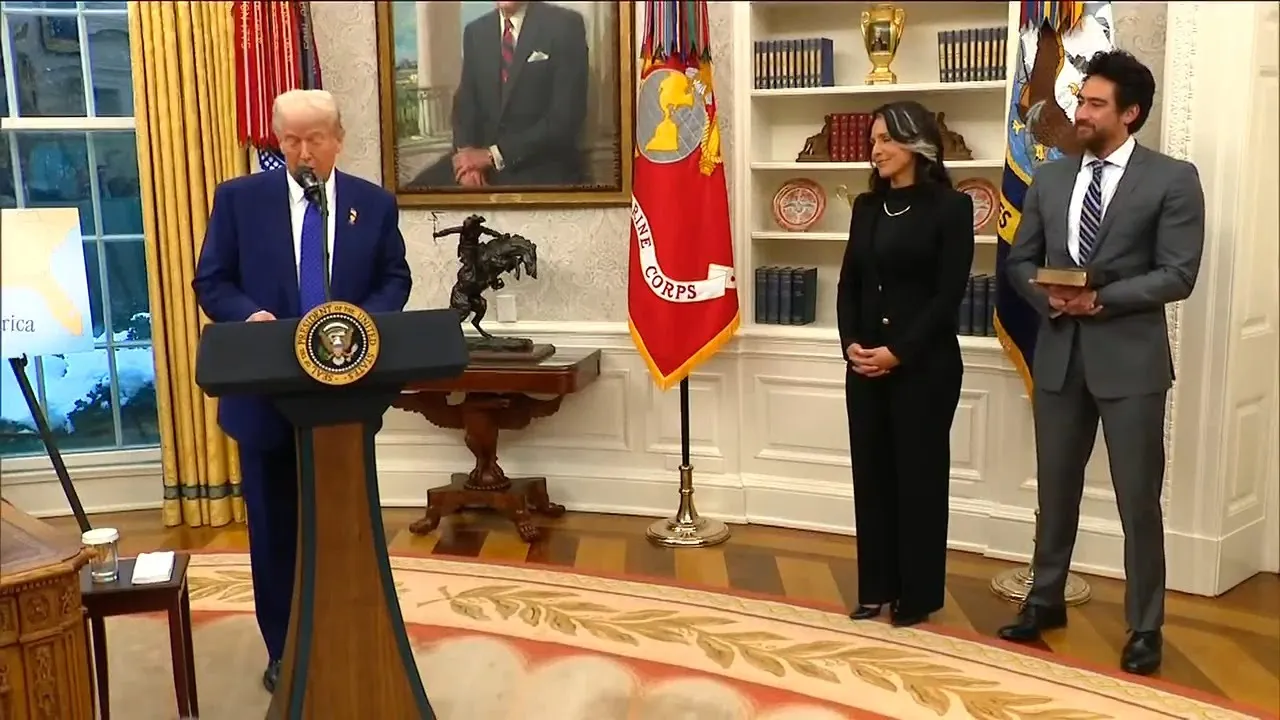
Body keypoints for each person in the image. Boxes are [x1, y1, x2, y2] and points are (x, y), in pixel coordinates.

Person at [191, 89, 412, 692]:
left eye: (315, 138)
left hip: (346, 401)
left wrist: (355, 327)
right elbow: (212, 280)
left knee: (346, 526)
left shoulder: (373, 204)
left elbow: (395, 278)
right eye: (290, 140)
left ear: (338, 138)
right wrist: (249, 316)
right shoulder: (239, 200)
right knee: (275, 532)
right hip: (265, 402)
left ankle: (351, 634)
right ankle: (284, 650)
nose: (303, 152)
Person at [998, 50, 1205, 676]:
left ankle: (1145, 626)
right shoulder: (1051, 178)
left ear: (1130, 113)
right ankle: (1044, 601)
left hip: (1131, 367)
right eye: (1080, 100)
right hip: (1059, 356)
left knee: (1137, 500)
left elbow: (1178, 274)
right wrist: (1052, 299)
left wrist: (1100, 300)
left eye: (1093, 104)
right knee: (1055, 488)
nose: (1080, 113)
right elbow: (1019, 261)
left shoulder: (1173, 179)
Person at [837, 101, 974, 628]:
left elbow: (948, 295)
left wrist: (899, 352)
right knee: (871, 478)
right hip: (865, 366)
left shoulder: (951, 208)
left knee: (918, 480)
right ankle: (875, 589)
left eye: (886, 139)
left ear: (917, 143)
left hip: (924, 367)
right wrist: (851, 343)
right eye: (872, 141)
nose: (876, 150)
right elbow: (849, 283)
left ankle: (916, 596)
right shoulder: (866, 207)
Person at [410, 1, 589, 188]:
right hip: (479, 163)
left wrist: (492, 156)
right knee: (410, 193)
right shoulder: (476, 32)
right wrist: (467, 160)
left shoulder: (564, 25)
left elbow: (565, 119)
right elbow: (465, 105)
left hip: (539, 164)